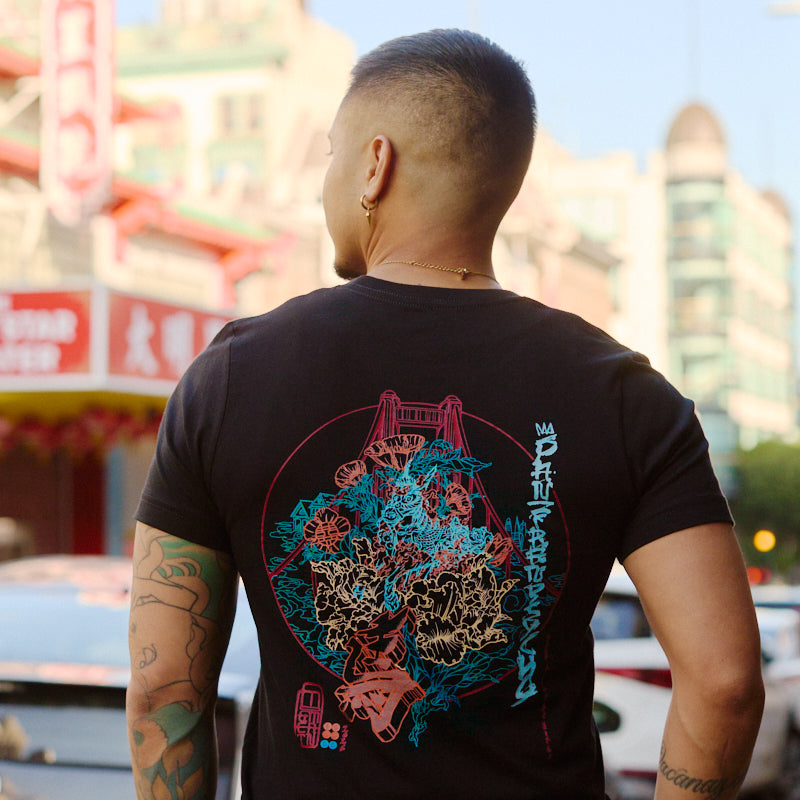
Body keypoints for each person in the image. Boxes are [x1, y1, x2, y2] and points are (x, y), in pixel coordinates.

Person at [126, 28, 764, 800]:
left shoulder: (230, 377)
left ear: (374, 164)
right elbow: (726, 682)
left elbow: (164, 690)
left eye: (333, 153)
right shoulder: (626, 394)